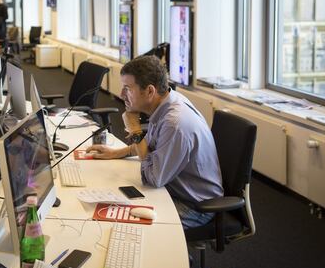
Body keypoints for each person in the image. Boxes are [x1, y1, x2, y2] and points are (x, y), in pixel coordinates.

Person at [86, 56, 223, 229]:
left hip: (193, 206)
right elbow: (151, 144)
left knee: (125, 223)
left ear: (150, 91)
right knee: (116, 202)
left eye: (127, 88)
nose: (121, 94)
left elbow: (153, 177)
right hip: (173, 188)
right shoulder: (167, 103)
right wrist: (115, 153)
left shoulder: (175, 123)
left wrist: (135, 129)